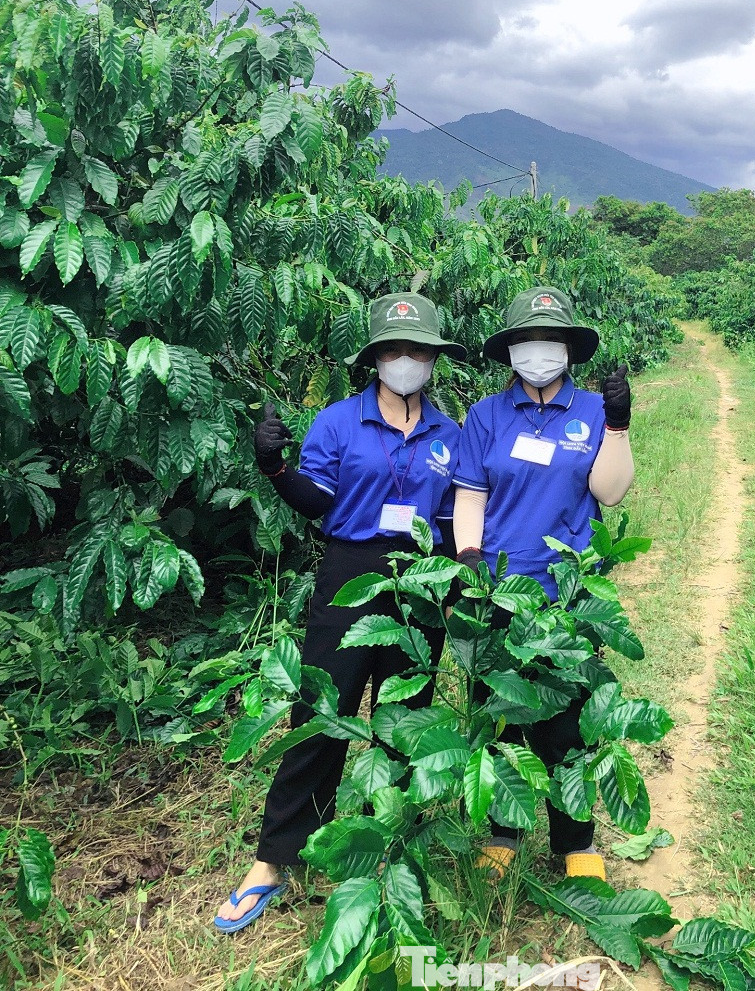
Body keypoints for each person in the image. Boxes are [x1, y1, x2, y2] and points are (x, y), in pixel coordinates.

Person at [215, 291, 465, 932]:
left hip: (420, 576)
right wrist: (274, 469)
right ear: (375, 358)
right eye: (394, 349)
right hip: (349, 571)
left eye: (418, 350)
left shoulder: (449, 433)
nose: (406, 359)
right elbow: (317, 498)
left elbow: (452, 520)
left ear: (433, 359)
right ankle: (275, 858)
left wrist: (461, 583)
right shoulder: (337, 422)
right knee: (323, 711)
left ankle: (398, 844)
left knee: (407, 714)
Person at [451, 285, 634, 883]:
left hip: (567, 588)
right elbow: (471, 493)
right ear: (510, 352)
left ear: (568, 350)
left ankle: (576, 839)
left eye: (549, 341)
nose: (538, 353)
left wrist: (620, 427)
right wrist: (469, 554)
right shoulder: (485, 415)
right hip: (501, 586)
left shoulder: (591, 412)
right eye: (526, 342)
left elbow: (609, 492)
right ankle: (505, 829)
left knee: (568, 716)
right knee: (502, 712)